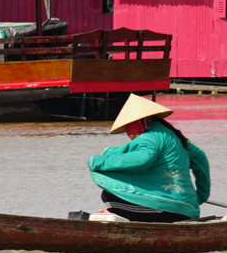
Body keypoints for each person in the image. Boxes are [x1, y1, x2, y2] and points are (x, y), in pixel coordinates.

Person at [87, 94, 210, 222]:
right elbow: (200, 159)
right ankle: (116, 213)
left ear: (144, 120)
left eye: (131, 125)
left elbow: (142, 160)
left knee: (109, 195)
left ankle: (115, 213)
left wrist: (97, 162)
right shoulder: (175, 137)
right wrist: (201, 196)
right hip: (189, 209)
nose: (130, 130)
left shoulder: (149, 138)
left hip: (167, 211)